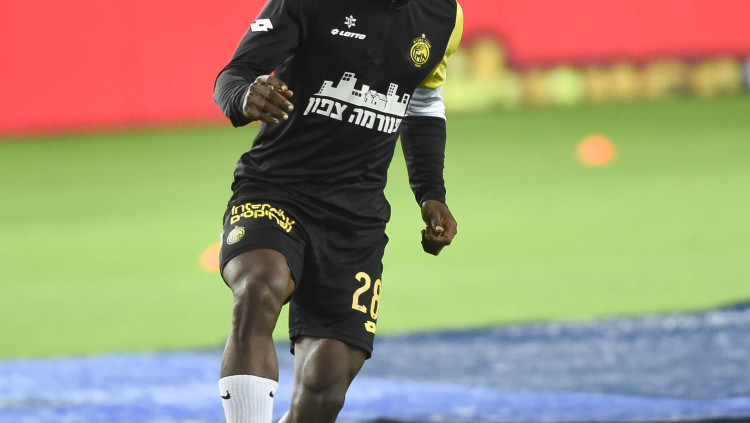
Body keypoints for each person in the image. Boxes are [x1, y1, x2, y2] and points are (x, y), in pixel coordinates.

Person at [213, 0, 462, 421]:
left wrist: (430, 193)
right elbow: (234, 73)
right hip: (276, 189)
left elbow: (422, 101)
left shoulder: (445, 15)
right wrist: (243, 95)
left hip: (356, 219)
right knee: (259, 285)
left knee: (326, 383)